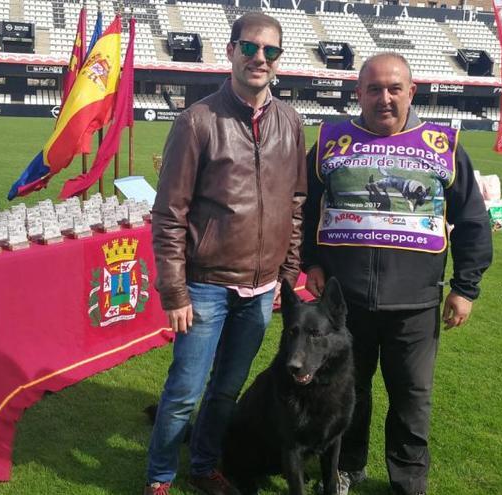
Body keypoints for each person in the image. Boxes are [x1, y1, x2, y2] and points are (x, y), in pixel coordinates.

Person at [301, 53, 492, 495]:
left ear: (411, 91)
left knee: (411, 399)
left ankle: (408, 482)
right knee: (348, 392)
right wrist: (311, 261)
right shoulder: (331, 143)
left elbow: (472, 220)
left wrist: (465, 288)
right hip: (344, 305)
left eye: (393, 89)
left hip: (416, 304)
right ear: (358, 94)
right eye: (374, 89)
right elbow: (306, 207)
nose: (384, 98)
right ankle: (346, 467)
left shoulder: (442, 145)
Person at [145, 12, 307, 495]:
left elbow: (295, 202)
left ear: (279, 60)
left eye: (270, 51)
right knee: (183, 393)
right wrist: (174, 291)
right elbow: (169, 213)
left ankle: (202, 466)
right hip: (205, 286)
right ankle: (158, 477)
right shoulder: (197, 121)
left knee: (225, 392)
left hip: (259, 290)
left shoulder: (291, 122)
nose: (260, 58)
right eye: (250, 48)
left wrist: (288, 272)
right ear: (232, 49)